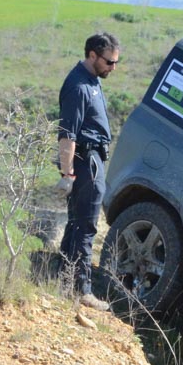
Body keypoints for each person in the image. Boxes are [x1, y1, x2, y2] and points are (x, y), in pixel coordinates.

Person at [55, 32, 120, 311]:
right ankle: (83, 289)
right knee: (86, 226)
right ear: (92, 55)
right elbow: (67, 134)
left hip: (92, 158)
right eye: (109, 61)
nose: (113, 67)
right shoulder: (79, 86)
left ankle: (63, 277)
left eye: (117, 62)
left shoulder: (93, 79)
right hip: (86, 161)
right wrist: (67, 174)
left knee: (77, 222)